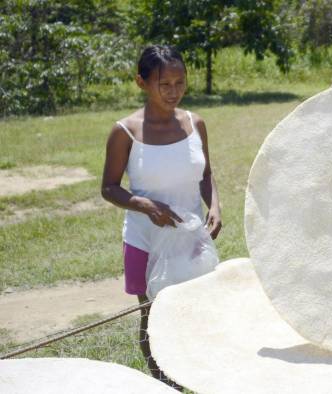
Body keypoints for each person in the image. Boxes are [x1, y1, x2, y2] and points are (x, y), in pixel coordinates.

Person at [101, 45, 222, 388]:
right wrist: (146, 205)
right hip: (145, 240)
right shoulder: (125, 132)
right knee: (153, 315)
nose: (173, 91)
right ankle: (163, 384)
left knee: (198, 309)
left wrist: (214, 207)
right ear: (141, 82)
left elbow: (207, 175)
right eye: (163, 84)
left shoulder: (195, 123)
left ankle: (197, 376)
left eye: (179, 82)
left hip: (190, 238)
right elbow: (109, 187)